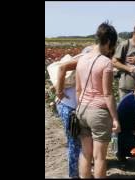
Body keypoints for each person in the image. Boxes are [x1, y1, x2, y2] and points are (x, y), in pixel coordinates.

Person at [76, 21, 121, 178]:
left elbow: (78, 90)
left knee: (85, 153)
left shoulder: (81, 59)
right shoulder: (105, 62)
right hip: (99, 113)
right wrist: (115, 118)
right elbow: (107, 94)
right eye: (112, 45)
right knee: (99, 157)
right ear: (108, 42)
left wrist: (80, 108)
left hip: (81, 110)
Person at [55, 47, 93, 178]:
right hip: (68, 107)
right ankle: (74, 175)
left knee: (79, 142)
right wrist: (59, 92)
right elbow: (61, 68)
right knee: (74, 142)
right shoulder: (83, 61)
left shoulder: (89, 62)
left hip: (75, 107)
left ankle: (81, 172)